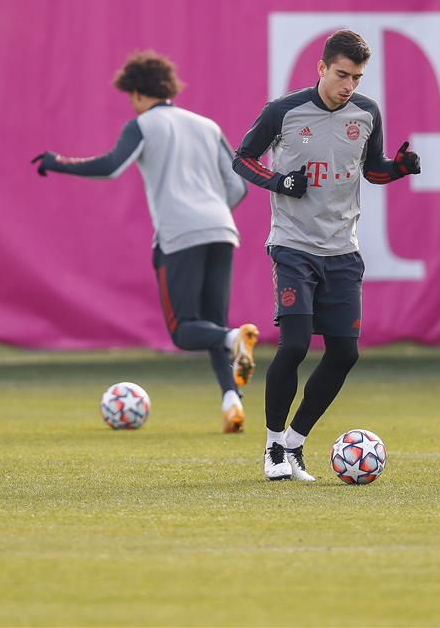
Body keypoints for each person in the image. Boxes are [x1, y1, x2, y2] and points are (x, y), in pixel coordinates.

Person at [31, 51, 257, 433]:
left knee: (185, 331)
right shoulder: (207, 125)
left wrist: (57, 161)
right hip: (221, 230)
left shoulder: (144, 124)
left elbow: (111, 166)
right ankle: (231, 402)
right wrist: (211, 211)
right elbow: (238, 186)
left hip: (179, 235)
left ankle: (236, 337)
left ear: (137, 93)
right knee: (212, 324)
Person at [232, 29, 420, 482]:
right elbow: (242, 159)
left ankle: (295, 444)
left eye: (356, 77)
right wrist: (280, 182)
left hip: (342, 250)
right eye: (341, 74)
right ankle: (273, 446)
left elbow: (371, 171)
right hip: (294, 246)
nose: (348, 85)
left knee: (344, 354)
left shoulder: (366, 113)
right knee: (295, 345)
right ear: (321, 68)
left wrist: (397, 169)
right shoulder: (283, 112)